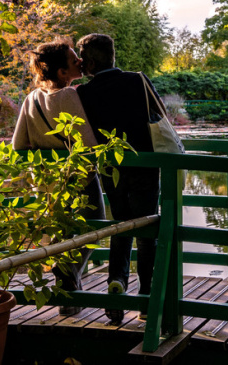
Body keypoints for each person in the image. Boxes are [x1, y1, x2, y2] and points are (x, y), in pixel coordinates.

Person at [12, 38, 106, 312]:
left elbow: (18, 146)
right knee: (95, 228)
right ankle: (67, 273)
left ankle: (69, 298)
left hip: (47, 182)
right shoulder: (70, 95)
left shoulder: (31, 99)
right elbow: (88, 145)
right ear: (63, 73)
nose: (79, 61)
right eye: (74, 59)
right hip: (79, 179)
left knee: (60, 237)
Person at [75, 33, 161, 324]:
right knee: (147, 230)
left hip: (111, 168)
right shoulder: (137, 80)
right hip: (145, 164)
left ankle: (117, 286)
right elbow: (158, 114)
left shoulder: (84, 93)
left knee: (120, 225)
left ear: (89, 61)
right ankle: (146, 298)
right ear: (112, 55)